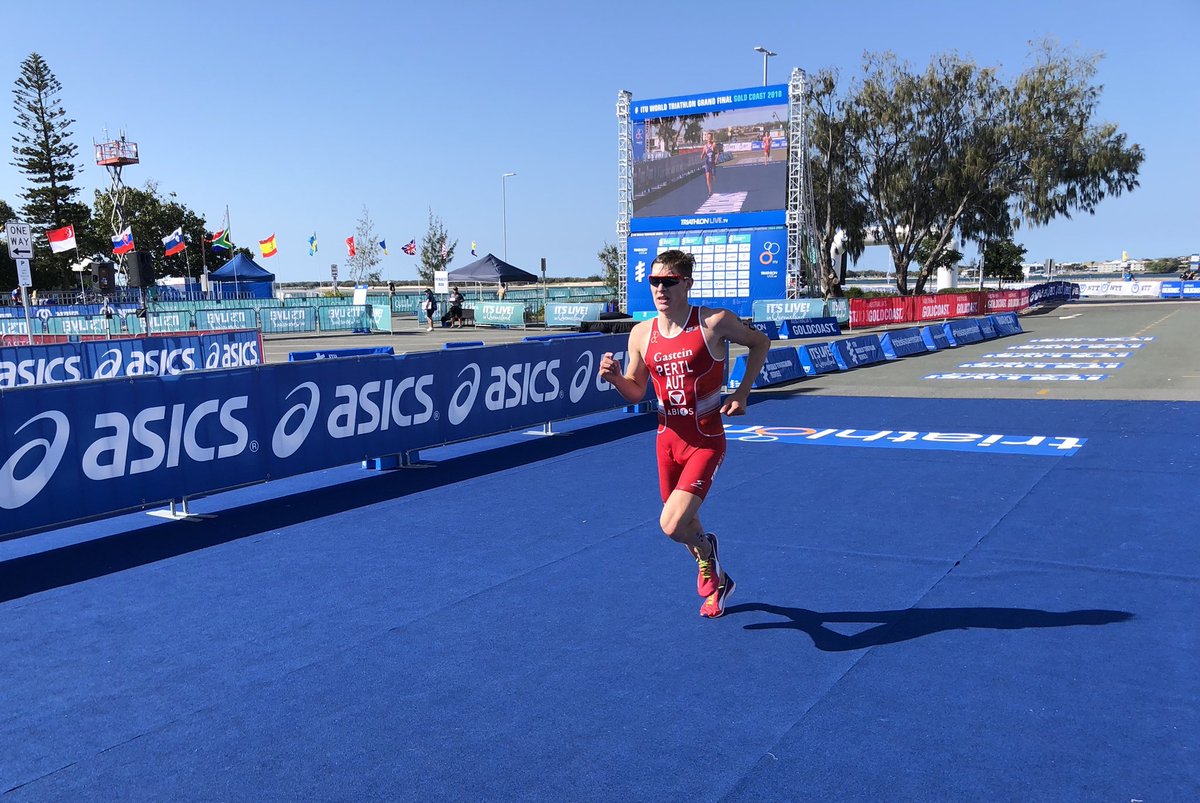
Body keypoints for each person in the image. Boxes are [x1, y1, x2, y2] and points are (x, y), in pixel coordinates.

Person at [597, 249, 769, 618]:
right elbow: (636, 389)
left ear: (687, 284)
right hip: (666, 442)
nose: (660, 288)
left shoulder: (714, 321)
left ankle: (709, 555)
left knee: (672, 523)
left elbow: (761, 343)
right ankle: (717, 578)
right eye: (654, 281)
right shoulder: (642, 334)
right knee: (684, 523)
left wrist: (741, 392)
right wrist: (614, 379)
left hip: (705, 440)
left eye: (669, 282)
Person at [701, 131, 720, 195]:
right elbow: (703, 153)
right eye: (708, 137)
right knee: (707, 177)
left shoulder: (713, 145)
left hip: (712, 163)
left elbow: (718, 152)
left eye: (710, 137)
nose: (709, 138)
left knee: (714, 178)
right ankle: (710, 191)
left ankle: (713, 176)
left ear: (711, 138)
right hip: (707, 163)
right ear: (706, 138)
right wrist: (702, 156)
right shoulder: (705, 146)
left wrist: (716, 159)